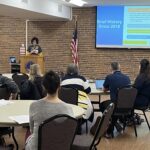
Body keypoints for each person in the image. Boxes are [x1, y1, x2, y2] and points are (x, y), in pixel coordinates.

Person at [25, 70, 74, 150]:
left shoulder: (34, 106)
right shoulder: (68, 108)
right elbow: (69, 132)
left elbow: (32, 130)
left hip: (38, 147)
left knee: (28, 134)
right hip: (60, 146)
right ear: (59, 86)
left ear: (43, 86)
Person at [99, 62, 131, 137]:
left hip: (116, 106)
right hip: (128, 106)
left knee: (102, 105)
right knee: (114, 107)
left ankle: (111, 129)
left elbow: (104, 90)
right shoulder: (127, 77)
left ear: (111, 68)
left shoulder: (109, 77)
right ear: (120, 68)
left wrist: (109, 87)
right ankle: (116, 125)